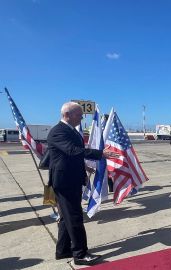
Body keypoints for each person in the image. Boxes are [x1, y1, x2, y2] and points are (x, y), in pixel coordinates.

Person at [47, 102, 118, 266]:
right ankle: (80, 254)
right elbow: (72, 150)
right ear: (67, 115)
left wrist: (83, 168)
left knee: (66, 217)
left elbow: (69, 156)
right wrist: (101, 153)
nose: (81, 117)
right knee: (75, 217)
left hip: (72, 178)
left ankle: (63, 250)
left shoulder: (71, 131)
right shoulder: (58, 131)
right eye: (79, 114)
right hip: (64, 182)